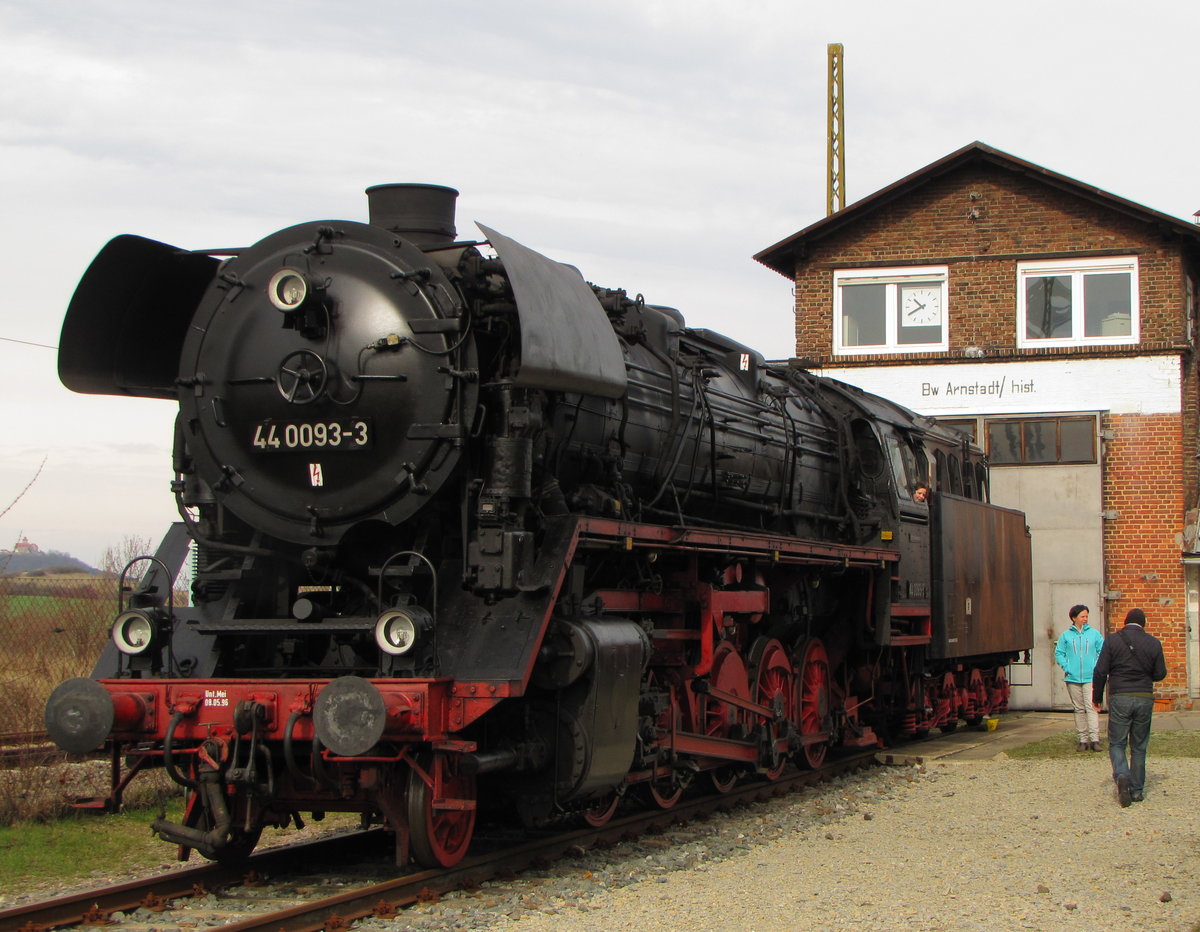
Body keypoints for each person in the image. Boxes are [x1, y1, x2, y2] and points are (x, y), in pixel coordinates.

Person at [1091, 608, 1167, 806]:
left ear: (1125, 622)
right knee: (1139, 746)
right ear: (1144, 624)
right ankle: (1137, 791)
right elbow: (1160, 674)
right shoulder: (1154, 643)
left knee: (1117, 743)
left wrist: (1097, 697)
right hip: (1144, 697)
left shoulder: (1112, 640)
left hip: (1120, 697)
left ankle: (1122, 775)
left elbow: (1100, 671)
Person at [1054, 604, 1104, 751]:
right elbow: (1059, 653)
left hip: (1090, 677)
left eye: (1087, 616)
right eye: (1082, 616)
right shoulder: (1066, 636)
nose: (1085, 619)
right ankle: (1083, 739)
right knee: (1079, 708)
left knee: (1091, 707)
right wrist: (1067, 667)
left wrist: (1096, 666)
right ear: (1074, 618)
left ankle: (1095, 739)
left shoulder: (1094, 634)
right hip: (1073, 678)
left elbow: (1102, 651)